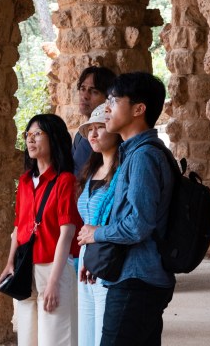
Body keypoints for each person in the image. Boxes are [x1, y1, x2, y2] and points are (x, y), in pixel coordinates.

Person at [77, 72, 175, 346]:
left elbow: (138, 224)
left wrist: (97, 234)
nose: (107, 108)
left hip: (137, 279)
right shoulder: (134, 153)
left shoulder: (143, 156)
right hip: (136, 276)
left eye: (114, 100)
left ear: (138, 109)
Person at [0, 114, 82, 346]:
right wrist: (9, 263)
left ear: (53, 138)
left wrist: (54, 282)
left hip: (52, 267)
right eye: (28, 135)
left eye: (37, 134)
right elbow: (19, 226)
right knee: (27, 339)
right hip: (25, 267)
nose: (30, 140)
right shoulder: (25, 181)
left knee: (56, 339)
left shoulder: (64, 180)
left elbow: (67, 233)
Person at [75, 104, 122, 346]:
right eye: (89, 129)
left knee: (104, 331)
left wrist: (96, 243)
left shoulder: (122, 171)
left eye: (99, 128)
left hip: (107, 255)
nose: (92, 134)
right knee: (86, 331)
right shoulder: (91, 170)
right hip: (87, 256)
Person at [72, 66, 116, 176]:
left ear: (109, 98)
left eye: (94, 91)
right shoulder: (79, 136)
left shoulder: (113, 135)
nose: (85, 96)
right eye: (82, 89)